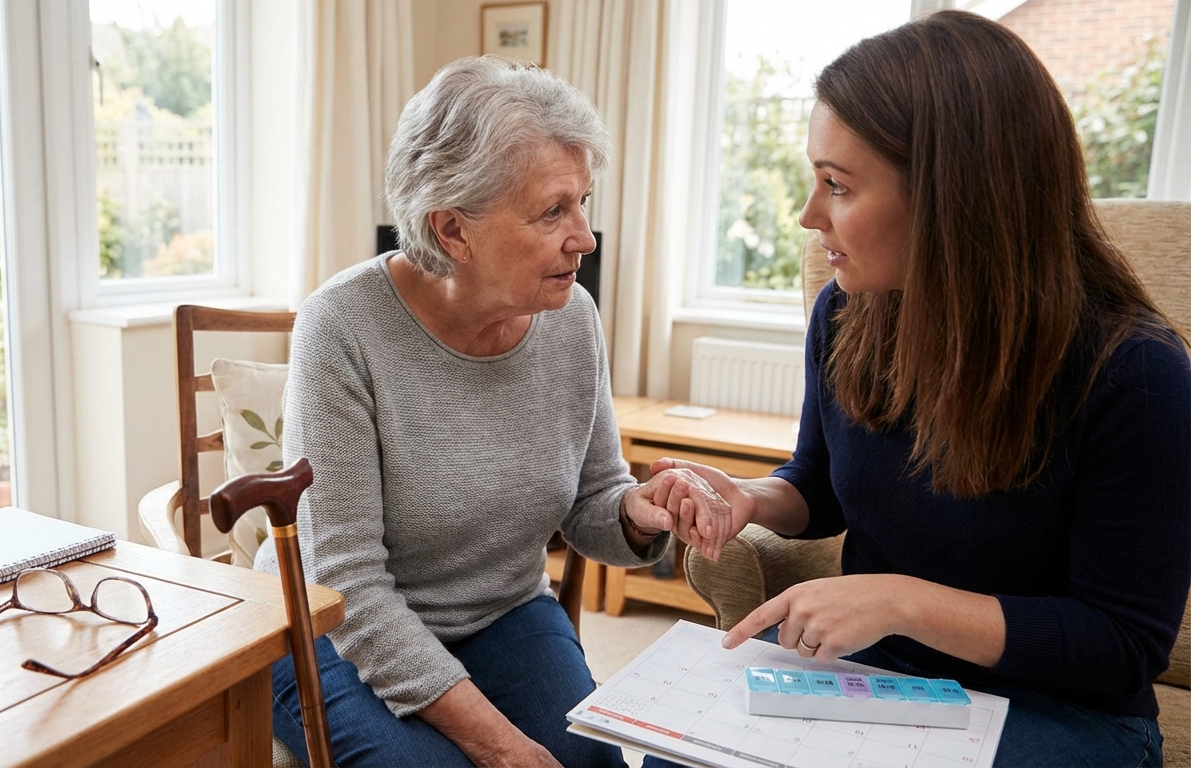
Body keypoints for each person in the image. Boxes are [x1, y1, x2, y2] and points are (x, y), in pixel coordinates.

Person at [649, 11, 1189, 767]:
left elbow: (1122, 645)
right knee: (679, 753)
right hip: (876, 675)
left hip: (1059, 713)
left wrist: (901, 601)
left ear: (952, 196)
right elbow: (819, 485)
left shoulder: (1135, 372)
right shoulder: (849, 313)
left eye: (836, 186)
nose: (808, 218)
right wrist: (749, 498)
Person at [255, 55, 732, 767]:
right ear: (452, 231)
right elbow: (346, 580)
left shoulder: (572, 319)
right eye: (552, 211)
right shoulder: (341, 327)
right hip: (332, 629)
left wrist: (639, 511)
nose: (585, 237)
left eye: (583, 202)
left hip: (501, 614)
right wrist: (502, 747)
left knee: (592, 763)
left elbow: (593, 498)